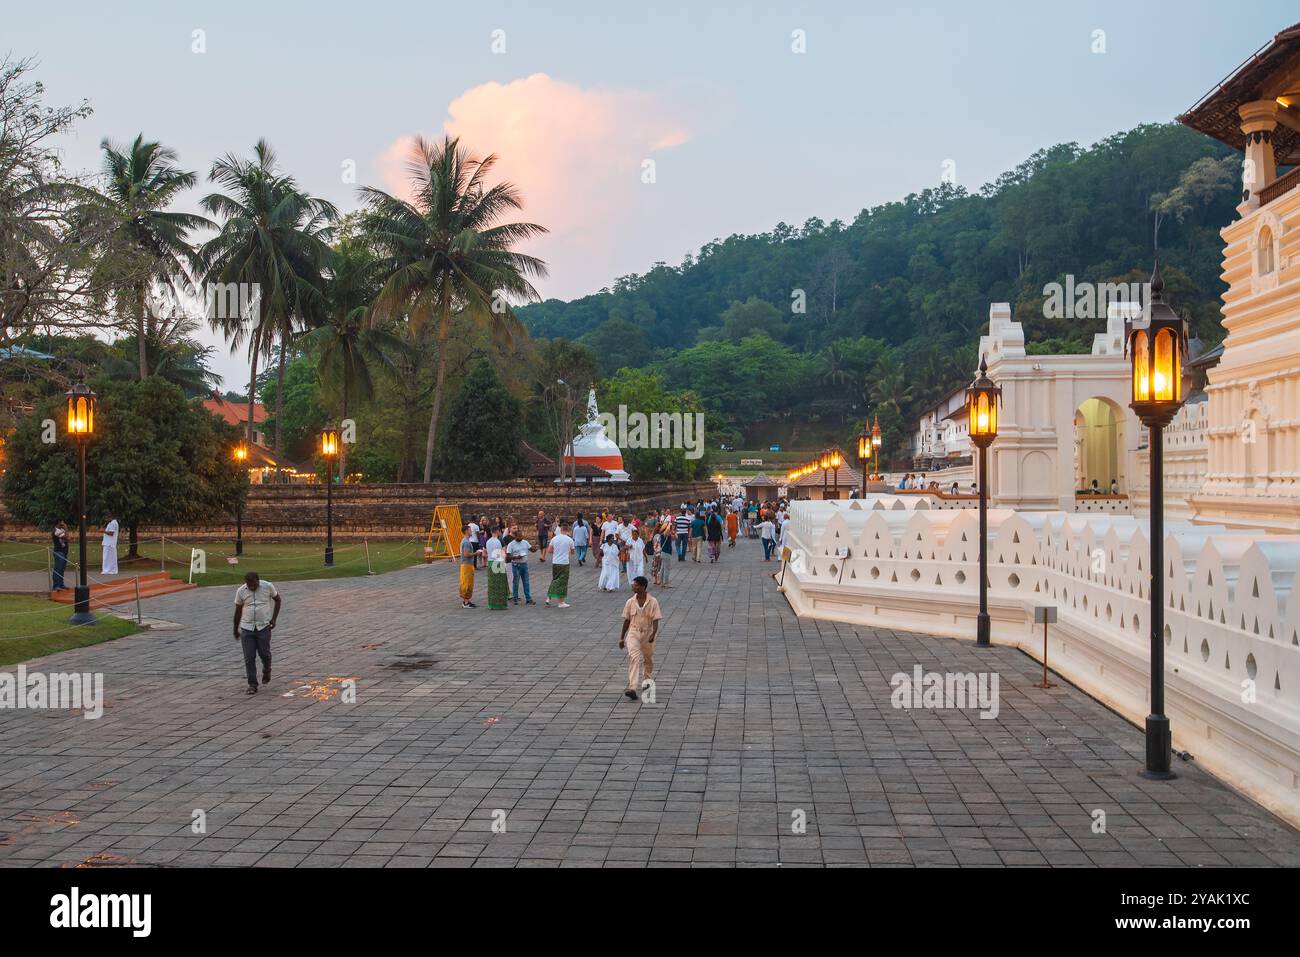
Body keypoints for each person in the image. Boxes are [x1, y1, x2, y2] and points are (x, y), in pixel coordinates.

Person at [233, 571, 280, 695]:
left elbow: (278, 600)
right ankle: (252, 684)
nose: (252, 587)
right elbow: (237, 611)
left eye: (254, 584)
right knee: (249, 657)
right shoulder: (241, 591)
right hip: (247, 628)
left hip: (263, 626)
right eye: (249, 585)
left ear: (258, 581)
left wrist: (274, 619)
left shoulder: (268, 586)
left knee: (264, 653)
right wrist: (235, 629)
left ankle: (267, 668)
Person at [619, 576, 662, 701]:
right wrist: (622, 638)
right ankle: (632, 687)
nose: (633, 587)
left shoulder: (653, 602)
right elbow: (627, 620)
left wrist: (653, 634)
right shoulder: (630, 602)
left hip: (648, 633)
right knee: (634, 658)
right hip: (633, 632)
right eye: (633, 585)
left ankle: (647, 679)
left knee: (648, 658)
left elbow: (656, 619)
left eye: (636, 585)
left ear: (643, 587)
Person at [544, 521, 574, 608]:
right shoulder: (570, 540)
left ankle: (549, 598)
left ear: (560, 529)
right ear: (568, 529)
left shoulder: (554, 538)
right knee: (562, 582)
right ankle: (561, 602)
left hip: (555, 562)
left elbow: (549, 550)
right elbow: (572, 552)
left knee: (555, 579)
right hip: (564, 563)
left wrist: (557, 551)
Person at [504, 523, 535, 605]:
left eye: (521, 537)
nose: (520, 538)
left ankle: (528, 599)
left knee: (526, 582)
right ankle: (515, 598)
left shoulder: (525, 542)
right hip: (516, 565)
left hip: (524, 564)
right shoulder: (511, 544)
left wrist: (534, 548)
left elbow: (531, 549)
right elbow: (507, 557)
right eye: (518, 537)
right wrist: (515, 557)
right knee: (516, 582)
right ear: (515, 536)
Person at [485, 528, 508, 610]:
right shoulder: (498, 541)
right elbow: (501, 553)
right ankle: (501, 604)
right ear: (497, 532)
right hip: (498, 563)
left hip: (490, 563)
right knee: (501, 584)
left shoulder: (488, 541)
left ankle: (492, 604)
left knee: (492, 585)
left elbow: (486, 553)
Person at [459, 525, 480, 608]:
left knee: (468, 583)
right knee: (467, 583)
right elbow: (466, 554)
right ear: (466, 531)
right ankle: (466, 602)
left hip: (467, 565)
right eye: (470, 530)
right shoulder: (466, 542)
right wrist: (476, 553)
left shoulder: (466, 541)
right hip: (467, 565)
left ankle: (466, 600)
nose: (471, 531)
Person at [51, 519, 69, 591]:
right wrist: (66, 528)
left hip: (64, 551)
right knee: (58, 569)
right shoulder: (56, 531)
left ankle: (61, 585)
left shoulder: (61, 530)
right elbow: (66, 537)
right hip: (59, 552)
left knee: (62, 569)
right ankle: (56, 586)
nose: (63, 523)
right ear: (59, 523)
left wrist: (65, 532)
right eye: (62, 522)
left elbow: (68, 538)